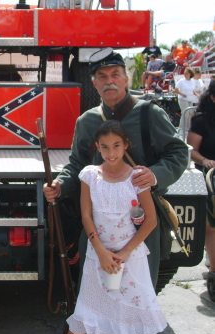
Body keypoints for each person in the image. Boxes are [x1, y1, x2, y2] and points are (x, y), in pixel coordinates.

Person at [43, 48, 188, 288]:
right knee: (95, 289)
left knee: (138, 290)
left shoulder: (149, 114)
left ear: (126, 78)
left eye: (115, 74)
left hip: (139, 220)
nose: (109, 81)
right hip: (97, 221)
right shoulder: (87, 121)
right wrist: (60, 184)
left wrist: (155, 175)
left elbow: (179, 152)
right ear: (94, 83)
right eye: (102, 76)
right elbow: (77, 164)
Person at [66, 120, 167, 334]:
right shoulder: (90, 175)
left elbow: (150, 220)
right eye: (105, 146)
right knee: (84, 318)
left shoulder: (137, 178)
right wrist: (101, 252)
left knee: (125, 323)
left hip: (130, 259)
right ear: (97, 146)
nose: (111, 152)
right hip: (97, 256)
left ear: (126, 144)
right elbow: (86, 215)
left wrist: (124, 253)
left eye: (116, 145)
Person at [186, 81, 215, 276]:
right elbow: (191, 151)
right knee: (211, 224)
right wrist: (205, 160)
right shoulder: (202, 121)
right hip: (210, 178)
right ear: (213, 98)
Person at [175, 67, 197, 134]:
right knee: (185, 114)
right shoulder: (181, 81)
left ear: (190, 74)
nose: (185, 74)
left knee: (190, 114)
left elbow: (193, 90)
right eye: (184, 73)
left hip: (190, 99)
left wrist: (198, 95)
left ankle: (187, 128)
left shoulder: (192, 81)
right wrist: (182, 94)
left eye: (186, 73)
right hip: (183, 99)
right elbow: (176, 90)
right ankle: (181, 128)